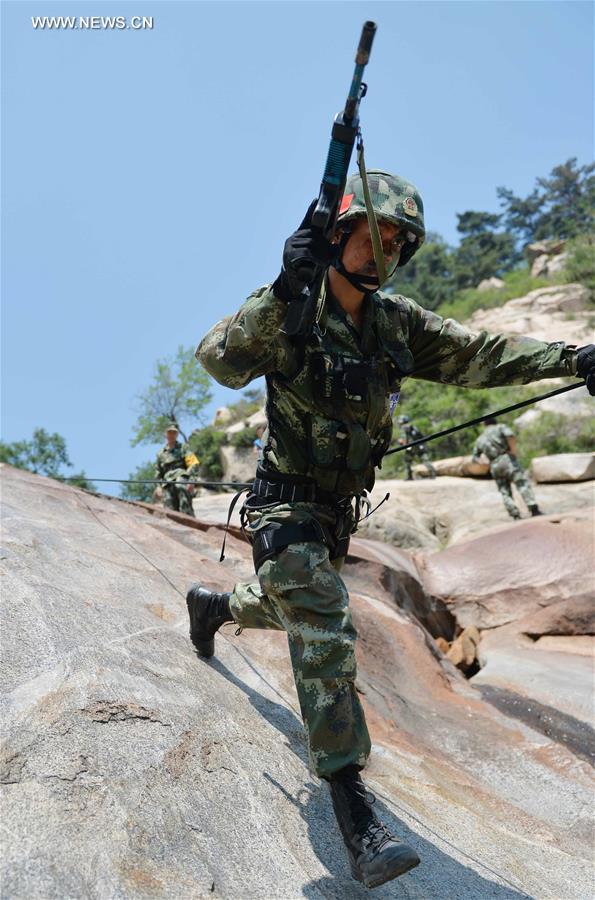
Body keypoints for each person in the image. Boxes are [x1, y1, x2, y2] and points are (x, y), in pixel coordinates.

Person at [186, 169, 595, 889]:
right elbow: (219, 363)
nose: (383, 253)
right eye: (371, 235)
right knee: (321, 621)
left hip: (336, 515)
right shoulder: (292, 311)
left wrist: (570, 358)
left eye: (398, 243)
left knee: (286, 602)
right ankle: (355, 812)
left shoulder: (397, 324)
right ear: (337, 233)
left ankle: (216, 605)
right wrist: (281, 289)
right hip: (283, 506)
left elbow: (479, 356)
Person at [472, 416, 542, 519]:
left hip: (494, 465)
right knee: (521, 483)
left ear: (484, 424)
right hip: (507, 459)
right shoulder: (500, 427)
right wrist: (513, 452)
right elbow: (510, 436)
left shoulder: (480, 439)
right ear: (495, 421)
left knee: (504, 491)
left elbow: (474, 458)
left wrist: (485, 463)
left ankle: (515, 514)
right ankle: (533, 509)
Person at [154, 423, 199, 518]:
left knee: (181, 488)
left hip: (181, 477)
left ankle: (189, 520)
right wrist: (158, 487)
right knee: (168, 508)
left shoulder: (183, 448)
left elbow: (193, 463)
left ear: (177, 434)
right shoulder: (160, 454)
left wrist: (191, 480)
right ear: (165, 434)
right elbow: (158, 472)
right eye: (169, 432)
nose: (171, 435)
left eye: (174, 433)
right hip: (167, 483)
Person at [396, 414, 436, 479]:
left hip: (410, 447)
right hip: (418, 445)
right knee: (425, 459)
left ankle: (409, 476)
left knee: (407, 461)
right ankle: (433, 473)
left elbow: (404, 439)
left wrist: (401, 443)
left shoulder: (404, 427)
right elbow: (420, 436)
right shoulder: (413, 427)